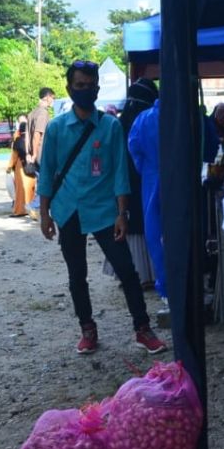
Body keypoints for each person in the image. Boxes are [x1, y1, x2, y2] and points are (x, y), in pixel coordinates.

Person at [37, 60, 167, 356]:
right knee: (76, 275)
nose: (85, 90)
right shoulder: (57, 128)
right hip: (68, 210)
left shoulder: (110, 126)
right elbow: (47, 173)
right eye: (79, 85)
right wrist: (44, 214)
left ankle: (142, 329)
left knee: (127, 271)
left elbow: (120, 172)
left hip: (105, 211)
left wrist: (122, 213)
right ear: (69, 89)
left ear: (97, 88)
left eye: (90, 85)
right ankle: (87, 329)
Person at [114, 78, 159, 287]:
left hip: (126, 179)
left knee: (130, 222)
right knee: (146, 223)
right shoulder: (148, 119)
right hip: (145, 178)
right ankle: (148, 271)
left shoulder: (121, 122)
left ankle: (131, 272)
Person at [6, 121, 35, 218]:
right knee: (31, 189)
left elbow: (14, 156)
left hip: (21, 168)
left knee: (20, 190)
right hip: (32, 167)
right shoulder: (33, 140)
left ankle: (20, 210)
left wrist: (9, 167)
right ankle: (33, 211)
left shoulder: (18, 141)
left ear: (20, 130)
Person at [25, 86, 55, 179]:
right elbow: (37, 134)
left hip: (33, 156)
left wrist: (28, 154)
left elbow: (27, 136)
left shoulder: (31, 113)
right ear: (47, 97)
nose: (53, 101)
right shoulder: (43, 113)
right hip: (41, 155)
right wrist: (34, 154)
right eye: (53, 98)